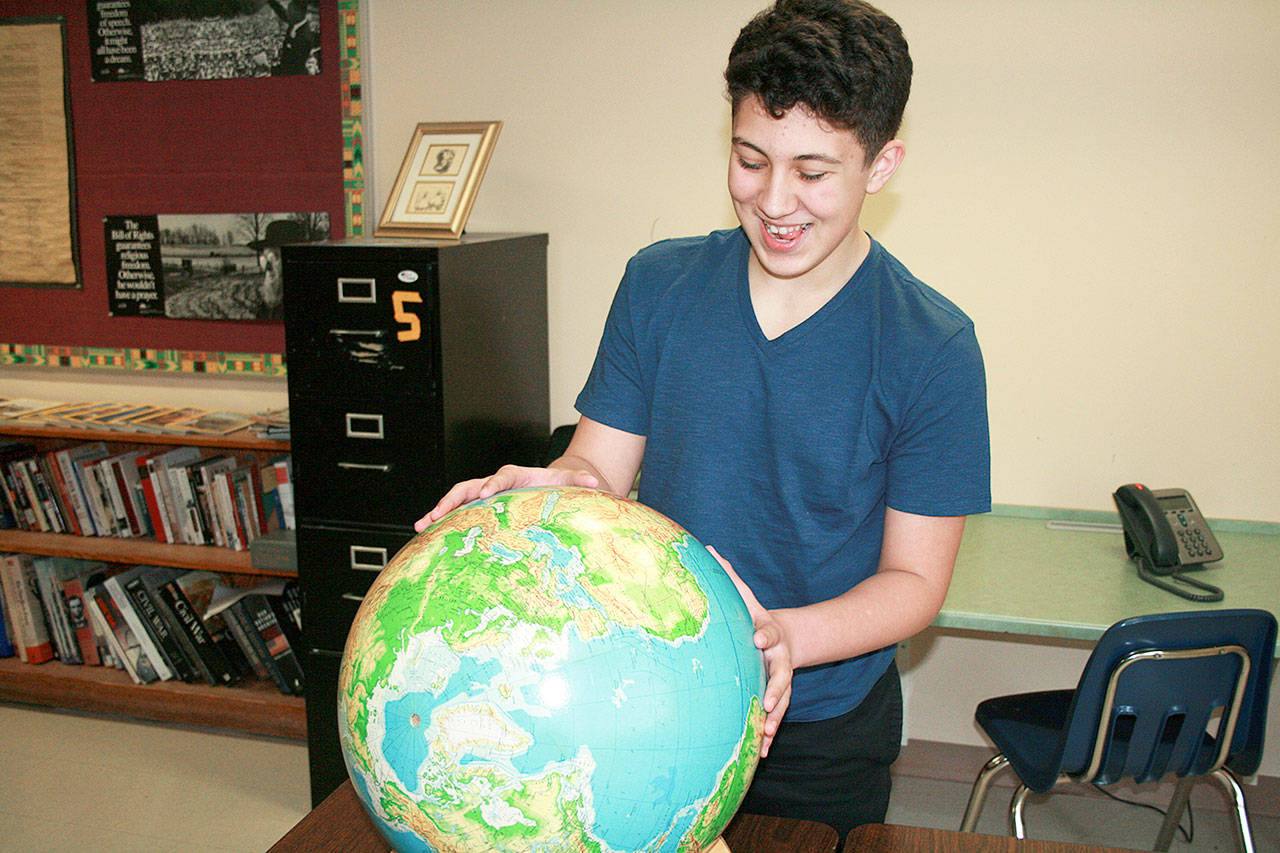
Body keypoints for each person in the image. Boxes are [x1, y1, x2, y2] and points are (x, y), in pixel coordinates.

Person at [417, 0, 989, 835]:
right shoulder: (660, 284)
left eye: (814, 171)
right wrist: (557, 485)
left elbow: (914, 583)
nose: (775, 199)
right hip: (652, 698)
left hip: (817, 723)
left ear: (881, 164)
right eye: (750, 159)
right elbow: (599, 470)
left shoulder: (931, 346)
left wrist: (778, 637)